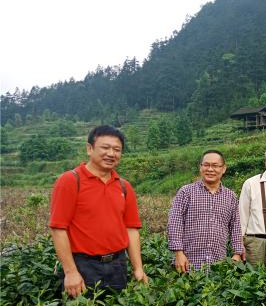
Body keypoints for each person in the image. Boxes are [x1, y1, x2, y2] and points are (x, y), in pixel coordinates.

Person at [49, 125, 148, 297]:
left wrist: (138, 268)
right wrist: (71, 272)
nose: (111, 153)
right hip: (83, 266)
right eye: (105, 147)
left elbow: (131, 229)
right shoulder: (70, 181)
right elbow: (58, 229)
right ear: (89, 149)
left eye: (117, 149)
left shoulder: (124, 186)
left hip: (117, 265)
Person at [167, 150, 243, 271]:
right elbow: (175, 222)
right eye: (206, 165)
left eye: (215, 165)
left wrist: (237, 253)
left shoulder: (230, 196)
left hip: (218, 265)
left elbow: (235, 226)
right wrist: (178, 253)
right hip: (187, 263)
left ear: (223, 169)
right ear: (200, 167)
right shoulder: (186, 192)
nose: (210, 169)